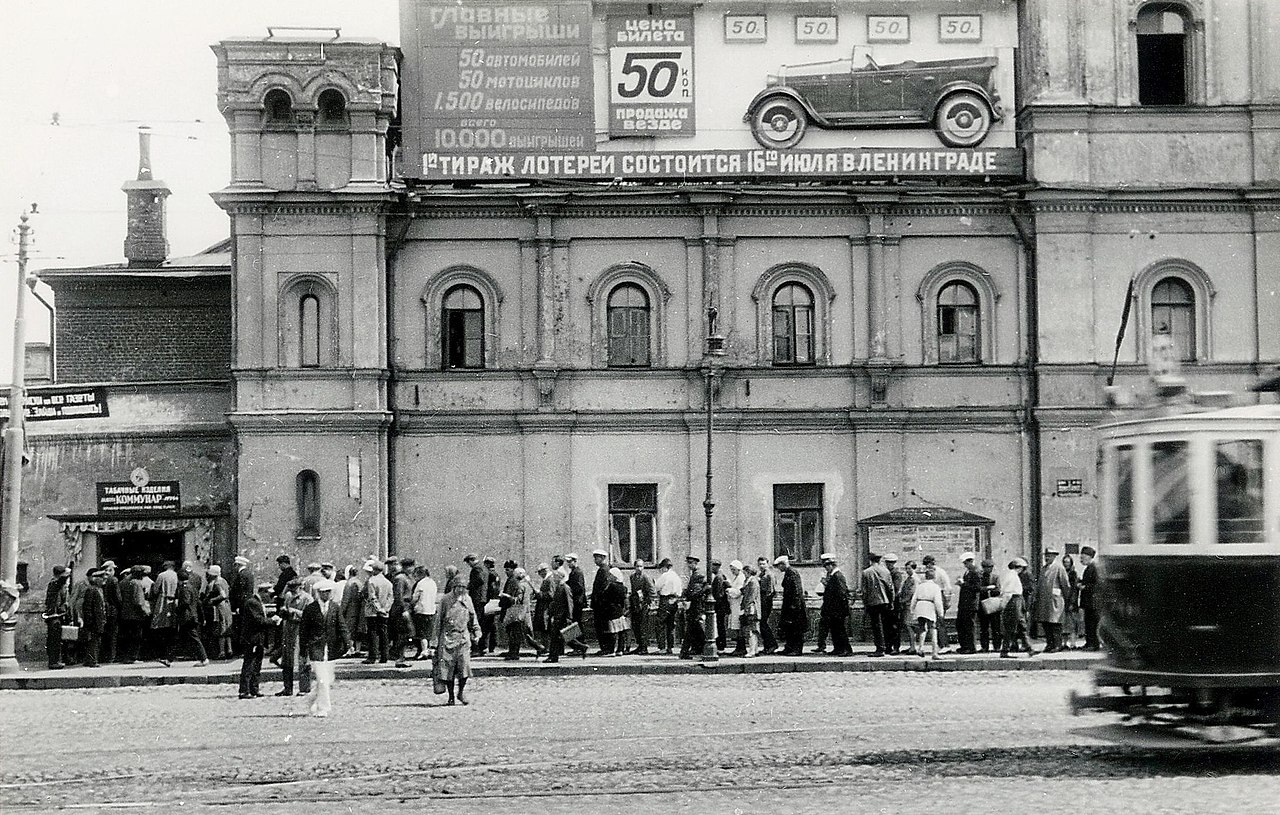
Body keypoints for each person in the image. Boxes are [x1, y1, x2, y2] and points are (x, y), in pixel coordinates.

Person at [300, 578, 348, 717]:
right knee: (322, 679)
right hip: (316, 647)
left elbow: (342, 626)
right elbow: (303, 631)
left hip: (331, 648)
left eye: (328, 592)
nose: (326, 595)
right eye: (323, 592)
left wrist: (347, 643)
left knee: (328, 680)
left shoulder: (334, 607)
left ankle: (312, 701)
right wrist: (303, 651)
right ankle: (323, 708)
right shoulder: (310, 609)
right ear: (318, 593)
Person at [436, 579, 481, 705]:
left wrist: (477, 631)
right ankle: (451, 697)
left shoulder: (467, 599)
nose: (461, 589)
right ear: (453, 587)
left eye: (463, 587)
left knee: (464, 667)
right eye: (458, 587)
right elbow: (438, 621)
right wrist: (435, 642)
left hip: (463, 637)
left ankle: (461, 692)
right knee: (449, 669)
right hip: (448, 638)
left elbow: (473, 616)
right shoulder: (445, 600)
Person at [276, 578, 311, 696]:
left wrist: (294, 611)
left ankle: (304, 688)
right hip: (288, 631)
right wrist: (284, 611)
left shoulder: (307, 599)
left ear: (300, 587)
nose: (291, 591)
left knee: (303, 660)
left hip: (300, 631)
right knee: (287, 661)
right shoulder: (288, 596)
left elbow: (309, 616)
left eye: (294, 588)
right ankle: (287, 688)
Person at [1034, 547, 1071, 653]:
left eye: (1049, 555)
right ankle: (1049, 644)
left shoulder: (1059, 567)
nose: (1047, 557)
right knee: (1046, 623)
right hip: (1044, 601)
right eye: (1046, 555)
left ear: (1054, 556)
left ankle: (1057, 645)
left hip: (1055, 600)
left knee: (1055, 623)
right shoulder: (1044, 568)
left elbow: (1065, 585)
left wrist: (1065, 598)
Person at [239, 583, 272, 698]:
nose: (270, 597)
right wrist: (272, 621)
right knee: (249, 664)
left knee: (257, 664)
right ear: (263, 592)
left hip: (259, 639)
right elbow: (257, 620)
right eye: (268, 593)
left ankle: (254, 688)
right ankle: (244, 690)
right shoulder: (252, 603)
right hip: (252, 639)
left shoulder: (258, 603)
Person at [998, 558, 1036, 658]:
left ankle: (1029, 648)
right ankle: (1004, 651)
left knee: (1021, 625)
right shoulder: (1012, 576)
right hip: (1013, 602)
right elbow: (1008, 592)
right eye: (1021, 568)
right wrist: (1004, 605)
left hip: (1017, 601)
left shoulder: (1013, 575)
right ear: (1018, 567)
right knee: (1011, 627)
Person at [860, 552, 895, 657]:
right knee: (886, 625)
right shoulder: (885, 571)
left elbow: (864, 591)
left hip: (872, 602)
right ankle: (889, 647)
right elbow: (890, 588)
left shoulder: (866, 572)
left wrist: (865, 603)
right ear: (879, 560)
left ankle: (880, 648)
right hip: (885, 601)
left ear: (870, 560)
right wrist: (891, 601)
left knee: (876, 626)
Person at [173, 566, 209, 667]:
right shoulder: (192, 587)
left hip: (187, 617)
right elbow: (198, 603)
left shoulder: (185, 588)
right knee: (179, 637)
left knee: (194, 638)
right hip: (192, 616)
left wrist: (177, 609)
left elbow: (185, 602)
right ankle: (169, 659)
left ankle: (204, 658)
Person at [819, 554, 852, 656]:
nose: (826, 569)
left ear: (831, 566)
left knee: (840, 630)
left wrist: (840, 609)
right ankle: (838, 648)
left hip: (838, 609)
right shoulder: (834, 576)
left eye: (826, 566)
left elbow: (842, 593)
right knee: (835, 630)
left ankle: (846, 649)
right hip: (834, 609)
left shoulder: (837, 576)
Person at [911, 566, 946, 660]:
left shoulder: (920, 586)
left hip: (920, 606)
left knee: (922, 628)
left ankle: (920, 648)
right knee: (933, 629)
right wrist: (941, 613)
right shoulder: (935, 587)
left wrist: (912, 609)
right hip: (929, 606)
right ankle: (934, 652)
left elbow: (914, 598)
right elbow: (938, 602)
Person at [149, 561, 179, 667]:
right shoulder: (176, 575)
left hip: (163, 602)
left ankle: (162, 655)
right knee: (172, 630)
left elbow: (156, 590)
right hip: (173, 602)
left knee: (161, 630)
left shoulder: (161, 575)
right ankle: (170, 655)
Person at [362, 561, 393, 664]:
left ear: (374, 570)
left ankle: (372, 656)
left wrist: (378, 608)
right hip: (385, 612)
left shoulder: (371, 581)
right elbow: (390, 597)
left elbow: (372, 597)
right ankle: (384, 656)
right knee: (384, 633)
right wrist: (385, 609)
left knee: (372, 634)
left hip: (372, 612)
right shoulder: (388, 583)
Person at [775, 555, 807, 656]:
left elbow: (796, 591)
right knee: (789, 628)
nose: (778, 568)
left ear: (783, 564)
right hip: (790, 605)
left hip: (794, 607)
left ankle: (796, 649)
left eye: (778, 566)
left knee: (796, 629)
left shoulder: (792, 573)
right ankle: (789, 648)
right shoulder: (788, 573)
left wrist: (794, 607)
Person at [542, 568, 576, 663]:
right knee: (557, 636)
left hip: (562, 616)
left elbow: (570, 603)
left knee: (556, 637)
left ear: (560, 577)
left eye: (555, 576)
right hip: (557, 616)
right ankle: (553, 656)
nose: (553, 578)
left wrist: (569, 617)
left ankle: (553, 657)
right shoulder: (558, 587)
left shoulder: (565, 587)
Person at [116, 565, 148, 664]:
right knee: (136, 637)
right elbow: (139, 601)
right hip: (135, 615)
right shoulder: (137, 583)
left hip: (124, 614)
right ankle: (133, 657)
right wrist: (145, 611)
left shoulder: (122, 582)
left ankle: (124, 657)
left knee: (126, 636)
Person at [921, 555, 952, 651]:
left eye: (928, 564)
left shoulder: (940, 572)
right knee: (934, 621)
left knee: (940, 621)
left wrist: (947, 600)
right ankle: (939, 644)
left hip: (940, 595)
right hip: (932, 597)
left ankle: (945, 645)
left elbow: (948, 587)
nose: (927, 566)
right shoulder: (928, 573)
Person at [388, 557, 415, 668]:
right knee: (403, 634)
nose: (411, 569)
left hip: (408, 607)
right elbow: (398, 596)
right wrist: (404, 610)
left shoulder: (408, 577)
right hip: (401, 609)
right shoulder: (400, 578)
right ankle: (399, 657)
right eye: (410, 566)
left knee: (406, 634)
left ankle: (400, 657)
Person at [43, 564, 71, 669]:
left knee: (55, 640)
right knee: (54, 640)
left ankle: (55, 661)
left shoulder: (53, 584)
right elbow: (63, 579)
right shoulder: (54, 583)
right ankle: (53, 662)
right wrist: (68, 570)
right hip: (53, 616)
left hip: (55, 615)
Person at [203, 564, 233, 659]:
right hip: (227, 606)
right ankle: (229, 649)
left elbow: (222, 595)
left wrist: (212, 600)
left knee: (221, 627)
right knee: (227, 627)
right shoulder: (224, 580)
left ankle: (222, 652)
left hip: (220, 606)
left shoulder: (217, 583)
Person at [679, 555, 707, 659]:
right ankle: (698, 649)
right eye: (688, 562)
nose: (689, 565)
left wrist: (688, 596)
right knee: (695, 628)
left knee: (691, 629)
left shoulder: (698, 575)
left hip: (696, 606)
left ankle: (685, 651)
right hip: (694, 606)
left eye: (690, 563)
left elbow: (695, 592)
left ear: (695, 563)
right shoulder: (695, 574)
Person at [653, 557, 682, 655]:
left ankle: (662, 647)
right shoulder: (677, 577)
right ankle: (670, 647)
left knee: (660, 624)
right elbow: (680, 591)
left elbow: (656, 587)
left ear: (665, 567)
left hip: (665, 600)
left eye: (661, 568)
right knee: (671, 625)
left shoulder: (665, 576)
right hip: (674, 600)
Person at [79, 568, 107, 668]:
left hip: (98, 620)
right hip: (94, 621)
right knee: (93, 641)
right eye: (102, 579)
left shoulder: (99, 590)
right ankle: (92, 660)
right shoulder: (91, 590)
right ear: (96, 579)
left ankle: (90, 659)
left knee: (96, 641)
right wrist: (90, 621)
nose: (104, 581)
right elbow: (87, 607)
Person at [956, 553, 981, 654]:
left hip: (970, 604)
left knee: (969, 625)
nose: (965, 565)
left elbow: (977, 588)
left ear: (971, 561)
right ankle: (964, 646)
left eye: (966, 563)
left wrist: (964, 584)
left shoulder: (975, 572)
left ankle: (971, 647)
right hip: (964, 604)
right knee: (961, 625)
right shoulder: (968, 572)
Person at [628, 559, 655, 655]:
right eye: (637, 566)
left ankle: (644, 647)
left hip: (644, 605)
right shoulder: (632, 577)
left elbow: (652, 591)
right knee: (636, 626)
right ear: (634, 567)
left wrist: (648, 603)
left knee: (643, 626)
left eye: (641, 566)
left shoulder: (646, 577)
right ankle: (639, 645)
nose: (639, 568)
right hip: (635, 605)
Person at [411, 565, 438, 660]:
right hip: (431, 610)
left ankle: (424, 651)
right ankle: (429, 650)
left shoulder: (421, 584)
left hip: (421, 610)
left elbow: (415, 597)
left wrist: (412, 604)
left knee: (421, 634)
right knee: (429, 633)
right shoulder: (433, 582)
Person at [600, 567, 629, 656]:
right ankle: (620, 650)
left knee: (612, 631)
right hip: (620, 610)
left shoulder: (611, 586)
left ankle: (611, 650)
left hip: (611, 611)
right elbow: (624, 600)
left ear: (614, 576)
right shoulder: (623, 587)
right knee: (621, 632)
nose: (609, 577)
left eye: (611, 575)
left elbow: (604, 596)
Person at [589, 549, 612, 656]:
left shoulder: (604, 570)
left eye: (596, 557)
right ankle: (605, 648)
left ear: (602, 558)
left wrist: (597, 600)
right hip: (601, 605)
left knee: (602, 627)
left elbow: (603, 589)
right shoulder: (602, 569)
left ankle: (606, 648)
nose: (594, 560)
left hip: (602, 606)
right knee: (601, 627)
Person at [978, 559, 1002, 654]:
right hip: (983, 604)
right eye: (987, 567)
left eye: (991, 567)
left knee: (996, 627)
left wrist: (991, 590)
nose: (989, 569)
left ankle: (997, 646)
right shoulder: (980, 577)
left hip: (994, 604)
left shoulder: (995, 577)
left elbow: (998, 589)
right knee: (984, 627)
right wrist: (987, 588)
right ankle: (984, 646)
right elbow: (978, 588)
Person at [340, 565, 365, 658]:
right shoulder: (359, 582)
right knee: (358, 630)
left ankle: (350, 649)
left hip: (351, 610)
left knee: (349, 629)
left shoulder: (349, 584)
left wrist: (341, 611)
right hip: (360, 609)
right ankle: (357, 649)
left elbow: (346, 599)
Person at [1079, 546, 1101, 651]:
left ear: (1089, 557)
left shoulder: (1094, 568)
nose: (1081, 559)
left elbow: (1097, 585)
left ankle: (1093, 645)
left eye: (1083, 557)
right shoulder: (1089, 568)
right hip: (1089, 602)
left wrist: (1084, 587)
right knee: (1088, 623)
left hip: (1093, 602)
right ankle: (1089, 643)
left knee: (1092, 624)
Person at [99, 561, 120, 664]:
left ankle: (104, 656)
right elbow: (117, 597)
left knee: (105, 634)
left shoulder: (103, 580)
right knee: (113, 634)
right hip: (112, 609)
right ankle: (112, 656)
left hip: (104, 609)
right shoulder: (114, 580)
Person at [882, 553, 903, 655]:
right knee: (887, 625)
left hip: (894, 603)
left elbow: (896, 588)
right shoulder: (886, 573)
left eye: (891, 563)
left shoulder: (896, 574)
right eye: (887, 563)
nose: (889, 564)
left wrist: (892, 602)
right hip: (887, 602)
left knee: (894, 626)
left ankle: (896, 647)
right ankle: (888, 646)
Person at [896, 561, 918, 654]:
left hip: (910, 605)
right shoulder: (909, 578)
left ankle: (913, 647)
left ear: (914, 568)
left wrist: (902, 600)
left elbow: (911, 593)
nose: (907, 570)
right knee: (907, 625)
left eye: (909, 568)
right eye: (906, 569)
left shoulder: (914, 579)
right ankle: (911, 646)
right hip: (907, 604)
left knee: (909, 625)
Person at [756, 556, 777, 654]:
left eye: (763, 564)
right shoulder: (761, 574)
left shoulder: (769, 575)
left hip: (766, 601)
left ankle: (772, 645)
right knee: (762, 624)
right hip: (761, 600)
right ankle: (767, 645)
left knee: (763, 623)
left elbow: (771, 591)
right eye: (760, 564)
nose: (761, 566)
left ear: (767, 564)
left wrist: (766, 601)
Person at [740, 563, 761, 657]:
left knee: (751, 630)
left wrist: (745, 607)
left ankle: (752, 650)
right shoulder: (748, 581)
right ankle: (754, 650)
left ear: (748, 572)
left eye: (745, 573)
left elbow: (751, 597)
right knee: (752, 629)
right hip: (750, 607)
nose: (744, 575)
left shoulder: (753, 582)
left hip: (752, 608)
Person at [726, 560, 746, 656]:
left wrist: (729, 589)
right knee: (736, 627)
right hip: (734, 605)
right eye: (731, 570)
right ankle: (739, 647)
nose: (732, 572)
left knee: (738, 627)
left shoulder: (741, 578)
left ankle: (741, 648)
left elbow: (738, 592)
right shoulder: (736, 577)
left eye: (734, 569)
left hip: (738, 605)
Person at [708, 559, 729, 652]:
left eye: (712, 566)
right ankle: (721, 644)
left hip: (719, 605)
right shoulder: (719, 576)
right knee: (719, 625)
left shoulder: (718, 577)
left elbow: (719, 593)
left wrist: (714, 601)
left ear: (716, 566)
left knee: (719, 625)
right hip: (720, 605)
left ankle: (721, 644)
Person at [1061, 553, 1081, 649]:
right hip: (1063, 601)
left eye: (1068, 562)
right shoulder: (1062, 572)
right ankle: (1064, 643)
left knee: (1072, 624)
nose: (1066, 564)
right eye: (1064, 562)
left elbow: (1074, 590)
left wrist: (1072, 602)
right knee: (1064, 624)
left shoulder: (1073, 574)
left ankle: (1073, 644)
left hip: (1071, 601)